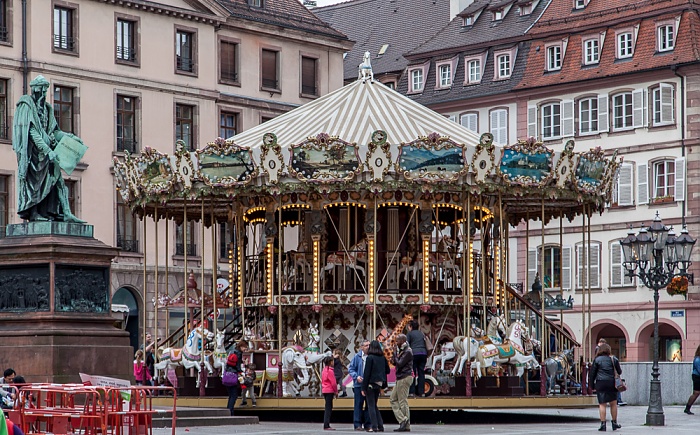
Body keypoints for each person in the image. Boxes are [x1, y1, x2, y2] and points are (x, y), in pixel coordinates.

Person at [12, 75, 85, 223]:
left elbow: (54, 131)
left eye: (46, 90)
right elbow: (31, 132)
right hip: (33, 154)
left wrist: (70, 137)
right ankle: (33, 213)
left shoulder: (48, 109)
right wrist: (47, 150)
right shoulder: (26, 105)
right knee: (34, 184)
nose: (44, 93)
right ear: (35, 89)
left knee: (58, 180)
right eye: (42, 90)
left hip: (47, 154)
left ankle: (66, 212)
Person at [589, 343, 622, 431]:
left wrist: (591, 385)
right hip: (612, 383)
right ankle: (614, 423)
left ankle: (603, 424)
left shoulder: (597, 360)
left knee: (602, 404)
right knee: (613, 404)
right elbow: (619, 371)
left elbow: (592, 374)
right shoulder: (613, 359)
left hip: (600, 383)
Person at [361, 340, 390, 433]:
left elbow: (367, 373)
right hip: (379, 383)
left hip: (370, 383)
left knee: (371, 406)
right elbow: (388, 370)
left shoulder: (370, 358)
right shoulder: (382, 358)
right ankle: (380, 425)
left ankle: (374, 426)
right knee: (374, 405)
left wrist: (363, 387)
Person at [390, 334, 413, 432]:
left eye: (398, 340)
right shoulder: (403, 350)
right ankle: (404, 421)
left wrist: (395, 353)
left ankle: (404, 421)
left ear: (403, 340)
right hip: (401, 377)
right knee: (393, 399)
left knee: (402, 401)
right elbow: (396, 363)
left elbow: (399, 363)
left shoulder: (408, 351)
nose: (396, 342)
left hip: (404, 377)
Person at [348, 340, 371, 431]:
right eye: (366, 345)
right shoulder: (357, 357)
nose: (368, 347)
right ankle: (357, 424)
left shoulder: (371, 356)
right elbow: (351, 369)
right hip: (358, 384)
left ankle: (368, 424)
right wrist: (356, 376)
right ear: (361, 347)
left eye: (369, 345)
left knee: (369, 405)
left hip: (368, 384)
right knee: (358, 404)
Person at [225, 340, 246, 416]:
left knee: (231, 395)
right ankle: (230, 411)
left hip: (228, 374)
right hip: (234, 375)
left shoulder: (232, 351)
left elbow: (228, 364)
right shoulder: (239, 353)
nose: (245, 349)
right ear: (241, 346)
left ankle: (228, 410)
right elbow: (237, 366)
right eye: (244, 347)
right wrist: (241, 372)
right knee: (234, 395)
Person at [406, 320, 427, 397]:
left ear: (411, 326)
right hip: (423, 353)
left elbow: (407, 344)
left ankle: (412, 391)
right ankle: (422, 392)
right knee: (421, 372)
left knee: (412, 372)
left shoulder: (410, 334)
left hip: (414, 354)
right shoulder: (421, 333)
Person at [321, 355, 338, 431]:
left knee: (327, 406)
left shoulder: (324, 370)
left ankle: (326, 423)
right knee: (329, 408)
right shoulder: (330, 371)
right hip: (329, 390)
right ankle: (326, 424)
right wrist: (336, 391)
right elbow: (333, 383)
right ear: (330, 362)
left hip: (324, 390)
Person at [684, 344, 700, 414]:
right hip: (697, 377)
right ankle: (687, 408)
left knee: (696, 393)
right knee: (696, 393)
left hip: (697, 376)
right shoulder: (697, 359)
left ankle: (687, 408)